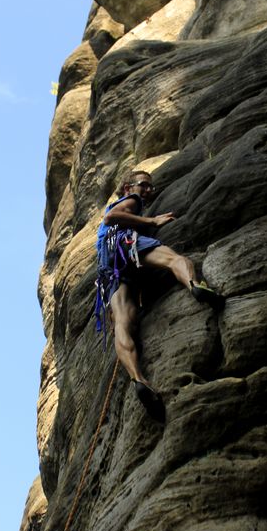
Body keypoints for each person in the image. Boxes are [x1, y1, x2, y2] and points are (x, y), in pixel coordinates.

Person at [95, 169, 223, 419]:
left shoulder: (128, 204)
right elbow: (112, 217)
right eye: (143, 185)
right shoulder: (132, 201)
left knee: (123, 322)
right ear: (128, 187)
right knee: (176, 260)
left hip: (108, 265)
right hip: (125, 244)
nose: (148, 191)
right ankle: (194, 285)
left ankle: (138, 379)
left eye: (150, 188)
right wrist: (152, 222)